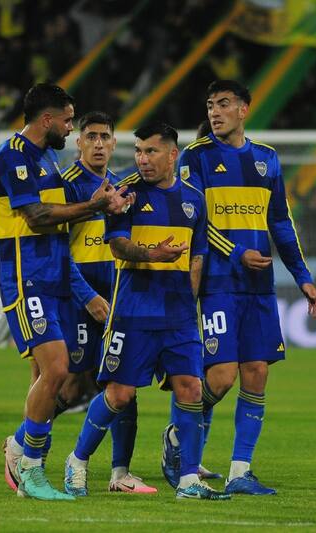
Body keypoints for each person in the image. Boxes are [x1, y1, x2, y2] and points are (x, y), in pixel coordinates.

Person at [162, 80, 316, 496]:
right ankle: (178, 436)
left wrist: (303, 276)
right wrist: (236, 254)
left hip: (259, 286)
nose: (215, 112)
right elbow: (194, 219)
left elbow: (281, 224)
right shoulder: (195, 157)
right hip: (216, 283)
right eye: (211, 104)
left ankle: (239, 471)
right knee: (220, 376)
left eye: (225, 104)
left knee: (257, 373)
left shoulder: (267, 159)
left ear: (244, 109)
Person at [63, 122, 229, 500]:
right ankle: (77, 460)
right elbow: (118, 246)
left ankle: (188, 479)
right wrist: (152, 255)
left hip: (179, 315)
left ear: (173, 154)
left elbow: (198, 254)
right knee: (119, 395)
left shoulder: (193, 199)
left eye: (151, 151)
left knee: (190, 387)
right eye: (138, 151)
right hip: (134, 311)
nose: (142, 159)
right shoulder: (126, 195)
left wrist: (191, 300)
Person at [0, 83, 129, 501]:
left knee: (61, 373)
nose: (71, 128)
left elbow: (62, 223)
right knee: (54, 370)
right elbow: (35, 216)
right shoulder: (12, 155)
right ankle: (30, 469)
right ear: (47, 119)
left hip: (53, 278)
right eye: (68, 120)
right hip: (25, 276)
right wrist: (95, 206)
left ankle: (20, 449)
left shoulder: (47, 160)